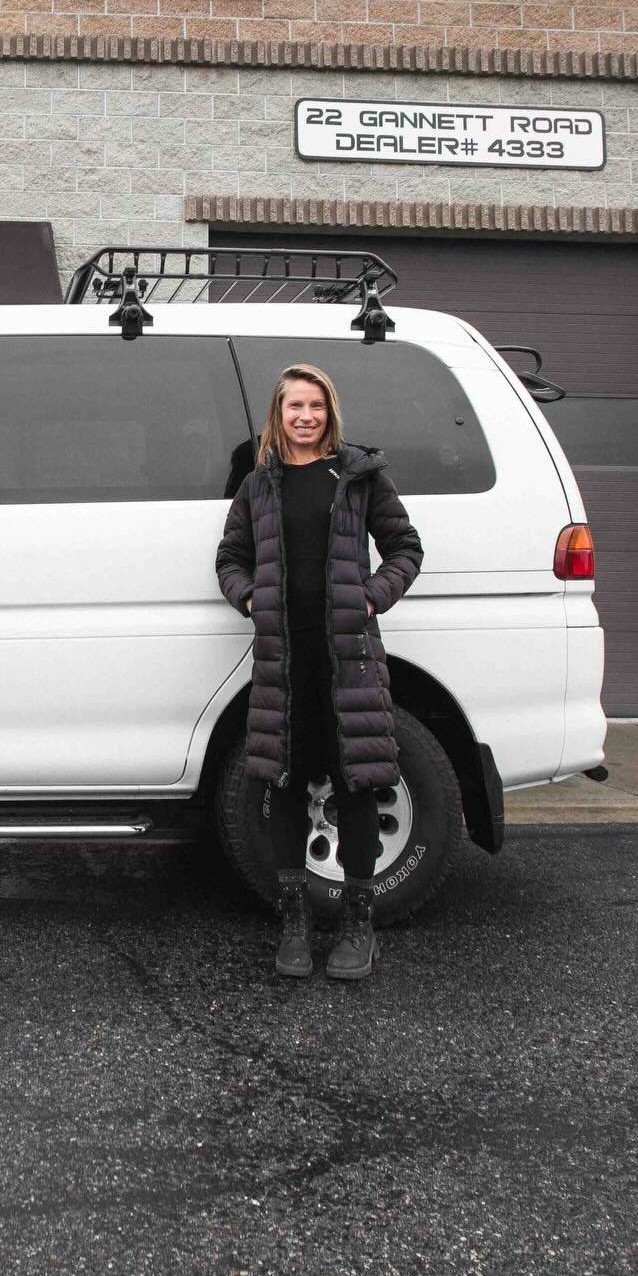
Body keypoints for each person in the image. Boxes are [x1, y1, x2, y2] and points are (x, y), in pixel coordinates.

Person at [215, 364, 423, 981]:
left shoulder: (358, 476)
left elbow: (405, 548)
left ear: (329, 412)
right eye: (294, 407)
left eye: (316, 406)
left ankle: (358, 925)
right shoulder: (259, 484)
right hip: (284, 661)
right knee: (282, 784)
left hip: (348, 659)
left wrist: (371, 597)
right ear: (277, 415)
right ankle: (294, 924)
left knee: (355, 784)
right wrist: (249, 598)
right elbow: (230, 558)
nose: (305, 416)